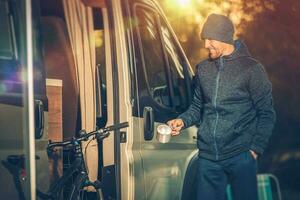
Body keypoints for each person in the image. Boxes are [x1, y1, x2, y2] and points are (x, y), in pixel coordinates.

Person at [167, 14, 276, 200]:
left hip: (241, 155)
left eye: (210, 39)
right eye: (204, 39)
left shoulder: (251, 69)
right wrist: (182, 120)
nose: (206, 45)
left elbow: (267, 113)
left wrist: (254, 149)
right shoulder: (203, 69)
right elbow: (197, 106)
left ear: (225, 38)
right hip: (208, 159)